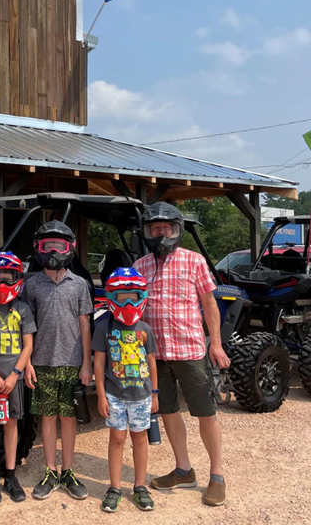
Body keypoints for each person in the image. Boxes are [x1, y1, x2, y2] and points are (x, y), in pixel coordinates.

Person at [133, 202, 231, 507]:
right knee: (168, 411)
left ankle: (217, 475)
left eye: (167, 228)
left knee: (206, 413)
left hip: (189, 350)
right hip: (155, 354)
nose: (161, 234)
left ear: (178, 230)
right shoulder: (139, 267)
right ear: (146, 232)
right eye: (155, 228)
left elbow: (210, 304)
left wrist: (215, 343)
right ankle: (184, 468)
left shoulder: (195, 261)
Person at [23, 221, 93, 501]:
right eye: (47, 245)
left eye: (59, 246)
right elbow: (26, 328)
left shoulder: (79, 285)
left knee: (68, 417)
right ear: (37, 249)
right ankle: (50, 471)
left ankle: (68, 470)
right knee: (47, 417)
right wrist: (27, 363)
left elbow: (85, 325)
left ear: (70, 248)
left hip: (73, 362)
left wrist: (86, 363)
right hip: (41, 362)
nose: (53, 251)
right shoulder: (32, 285)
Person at [93, 267, 158, 513]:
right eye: (122, 297)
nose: (128, 302)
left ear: (141, 296)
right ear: (112, 298)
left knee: (139, 438)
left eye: (133, 296)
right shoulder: (103, 328)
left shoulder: (145, 329)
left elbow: (152, 362)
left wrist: (155, 393)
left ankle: (140, 486)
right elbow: (98, 363)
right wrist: (100, 395)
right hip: (114, 395)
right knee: (117, 438)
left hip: (141, 396)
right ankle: (115, 487)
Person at [0, 252, 36, 503]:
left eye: (8, 278)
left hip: (13, 376)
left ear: (18, 278)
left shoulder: (23, 309)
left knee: (11, 424)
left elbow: (28, 345)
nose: (2, 284)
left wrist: (15, 374)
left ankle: (10, 475)